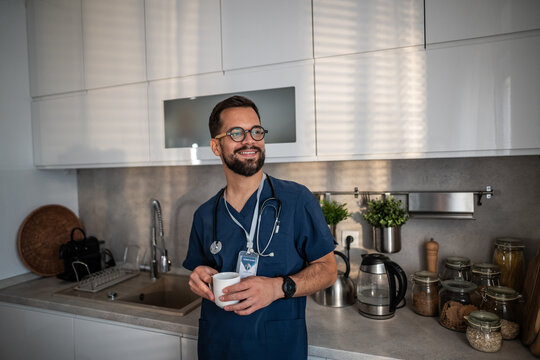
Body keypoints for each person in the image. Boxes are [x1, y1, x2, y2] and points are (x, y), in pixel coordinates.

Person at [182, 95, 337, 360]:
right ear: (216, 146)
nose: (250, 140)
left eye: (256, 131)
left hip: (278, 350)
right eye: (236, 133)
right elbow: (200, 274)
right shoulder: (205, 214)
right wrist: (197, 278)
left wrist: (277, 288)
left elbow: (328, 270)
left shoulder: (297, 200)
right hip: (217, 347)